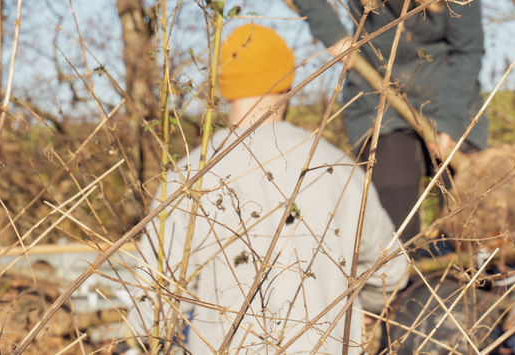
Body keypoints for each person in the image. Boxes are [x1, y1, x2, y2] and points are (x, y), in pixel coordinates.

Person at [126, 24, 408, 354]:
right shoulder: (338, 167)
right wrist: (365, 306)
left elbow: (151, 308)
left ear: (225, 83)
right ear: (287, 79)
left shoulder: (186, 178)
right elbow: (389, 271)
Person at [285, 0, 485, 247]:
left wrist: (450, 123)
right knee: (392, 213)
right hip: (378, 99)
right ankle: (397, 295)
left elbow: (468, 49)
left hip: (448, 93)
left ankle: (477, 293)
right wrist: (335, 37)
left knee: (471, 216)